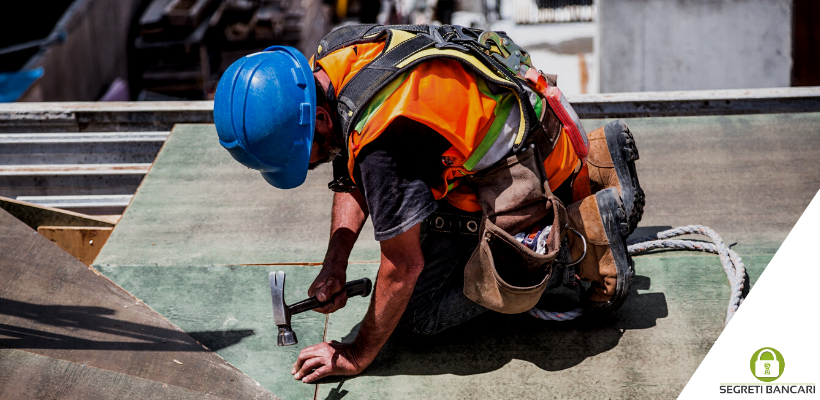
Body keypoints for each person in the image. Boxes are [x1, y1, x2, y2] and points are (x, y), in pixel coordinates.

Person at [213, 24, 644, 383]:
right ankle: (598, 164)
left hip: (526, 176)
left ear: (320, 118)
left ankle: (577, 240)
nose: (307, 168)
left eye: (302, 156)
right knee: (406, 220)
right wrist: (335, 262)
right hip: (537, 129)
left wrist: (357, 354)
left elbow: (403, 267)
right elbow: (349, 165)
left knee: (417, 316)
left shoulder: (385, 143)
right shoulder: (337, 55)